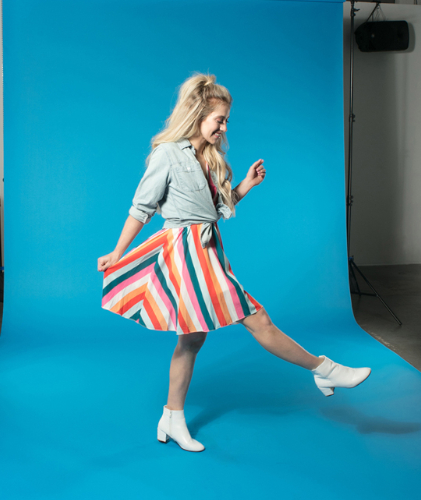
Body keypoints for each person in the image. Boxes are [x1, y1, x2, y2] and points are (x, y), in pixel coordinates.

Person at [97, 73, 371, 453]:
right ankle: (325, 370)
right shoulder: (168, 154)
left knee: (192, 338)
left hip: (208, 252)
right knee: (256, 319)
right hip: (186, 254)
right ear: (197, 115)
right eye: (219, 120)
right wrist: (117, 252)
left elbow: (214, 211)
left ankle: (171, 417)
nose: (224, 127)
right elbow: (141, 209)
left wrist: (245, 185)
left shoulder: (209, 158)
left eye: (226, 120)